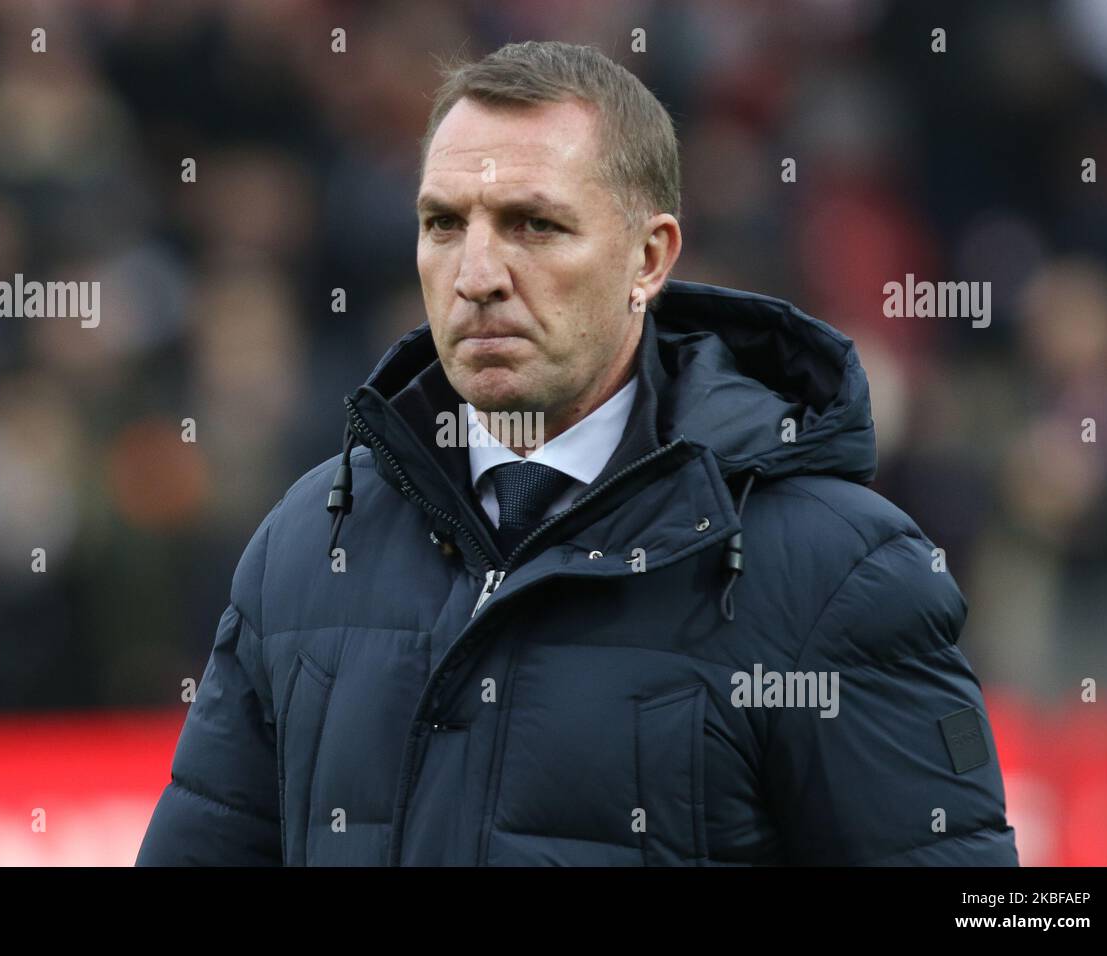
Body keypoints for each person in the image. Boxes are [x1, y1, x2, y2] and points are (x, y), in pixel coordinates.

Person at [137, 40, 1018, 866]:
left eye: (533, 225)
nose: (476, 273)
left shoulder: (838, 573)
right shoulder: (306, 545)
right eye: (444, 224)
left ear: (649, 257)